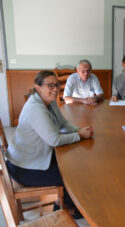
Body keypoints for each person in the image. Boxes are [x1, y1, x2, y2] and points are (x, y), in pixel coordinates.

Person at [5, 71, 93, 218]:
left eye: (57, 85)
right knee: (71, 175)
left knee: (72, 162)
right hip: (23, 168)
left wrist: (79, 130)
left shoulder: (49, 101)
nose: (55, 89)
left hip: (34, 157)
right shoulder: (36, 108)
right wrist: (79, 135)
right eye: (50, 85)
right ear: (38, 87)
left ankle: (63, 203)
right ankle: (68, 210)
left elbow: (63, 124)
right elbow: (54, 140)